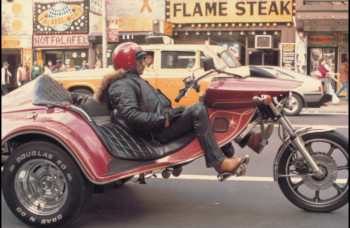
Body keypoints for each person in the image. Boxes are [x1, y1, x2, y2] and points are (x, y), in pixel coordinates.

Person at [94, 42, 274, 178]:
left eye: (143, 59)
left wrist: (170, 113)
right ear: (128, 61)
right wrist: (165, 118)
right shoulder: (122, 85)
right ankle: (219, 163)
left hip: (160, 125)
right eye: (139, 59)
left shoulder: (133, 80)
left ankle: (250, 140)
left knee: (209, 110)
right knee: (198, 110)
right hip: (155, 133)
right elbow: (132, 116)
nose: (144, 63)